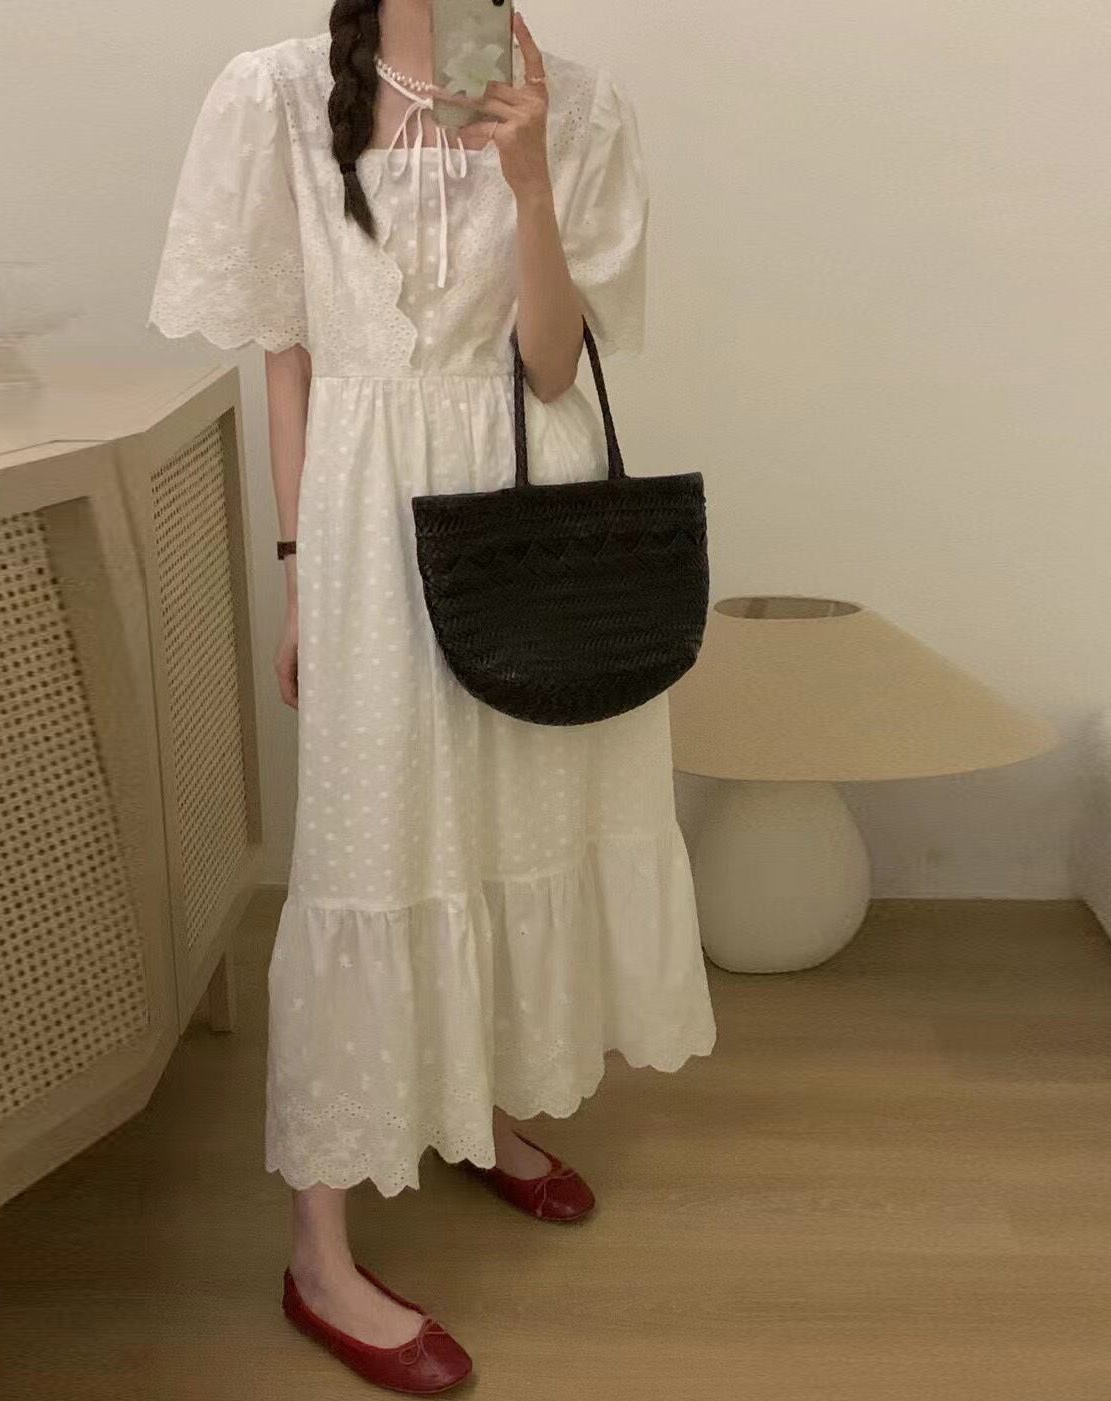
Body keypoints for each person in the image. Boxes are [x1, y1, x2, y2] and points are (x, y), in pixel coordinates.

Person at [147, 2, 716, 1392]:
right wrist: (300, 573)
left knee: (519, 826)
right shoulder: (278, 96)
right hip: (365, 521)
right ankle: (319, 1251)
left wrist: (529, 179)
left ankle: (482, 1114)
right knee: (367, 858)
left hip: (527, 514)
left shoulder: (578, 105)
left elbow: (551, 368)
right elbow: (288, 361)